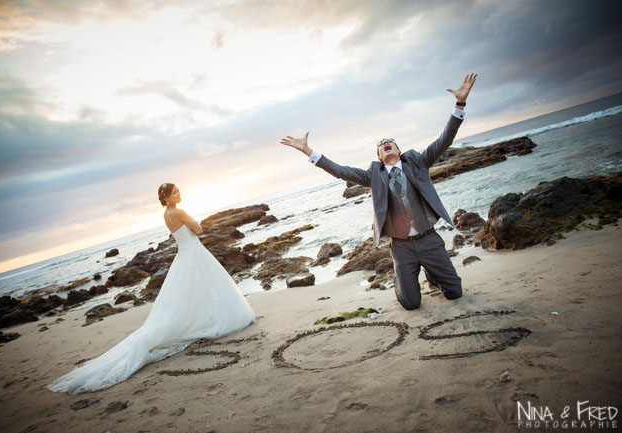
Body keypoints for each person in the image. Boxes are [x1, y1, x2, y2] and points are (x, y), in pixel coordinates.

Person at [281, 73, 477, 311]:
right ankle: (401, 282)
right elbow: (341, 171)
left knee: (455, 293)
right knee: (411, 304)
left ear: (398, 149)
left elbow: (445, 140)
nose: (386, 142)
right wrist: (308, 152)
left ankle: (433, 276)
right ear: (379, 157)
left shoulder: (419, 162)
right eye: (381, 144)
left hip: (429, 241)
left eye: (390, 141)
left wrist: (459, 104)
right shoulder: (372, 177)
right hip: (402, 247)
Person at [48, 183, 255, 394]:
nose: (179, 193)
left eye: (178, 190)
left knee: (192, 292)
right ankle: (212, 319)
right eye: (175, 192)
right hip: (193, 253)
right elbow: (199, 229)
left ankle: (203, 318)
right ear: (166, 197)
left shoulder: (166, 214)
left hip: (185, 254)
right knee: (202, 288)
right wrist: (194, 222)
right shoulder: (179, 211)